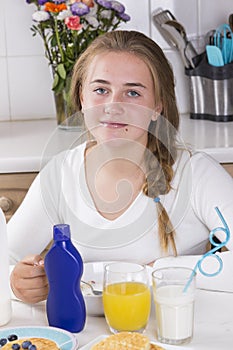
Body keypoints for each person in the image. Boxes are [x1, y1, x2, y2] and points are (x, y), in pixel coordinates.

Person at [7, 30, 233, 304]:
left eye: (133, 93)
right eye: (101, 90)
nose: (113, 106)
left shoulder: (197, 174)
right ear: (82, 97)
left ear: (157, 107)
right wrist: (15, 283)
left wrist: (157, 271)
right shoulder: (60, 175)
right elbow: (7, 260)